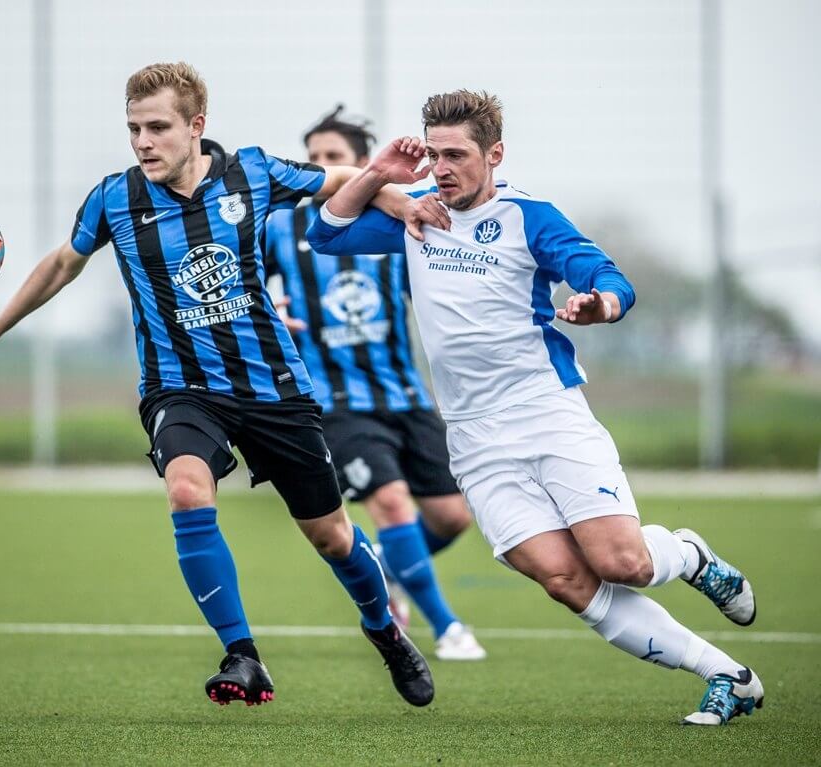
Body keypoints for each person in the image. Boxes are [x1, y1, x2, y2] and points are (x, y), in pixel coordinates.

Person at [0, 62, 440, 708]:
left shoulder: (252, 172)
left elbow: (340, 181)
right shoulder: (114, 199)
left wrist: (398, 198)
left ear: (196, 125)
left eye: (157, 128)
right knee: (185, 488)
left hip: (272, 385)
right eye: (133, 129)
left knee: (333, 535)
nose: (142, 142)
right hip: (179, 389)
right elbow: (63, 263)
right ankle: (242, 653)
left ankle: (385, 630)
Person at [306, 89, 763, 726]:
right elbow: (324, 235)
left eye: (457, 155)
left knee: (622, 563)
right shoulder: (418, 213)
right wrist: (380, 173)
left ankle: (687, 554)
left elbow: (609, 278)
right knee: (565, 580)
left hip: (546, 413)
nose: (442, 168)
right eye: (434, 154)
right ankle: (727, 677)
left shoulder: (529, 217)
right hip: (473, 437)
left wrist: (600, 305)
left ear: (494, 154)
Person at [265, 107, 485, 661]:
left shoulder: (399, 224)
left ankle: (388, 567)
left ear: (363, 163)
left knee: (453, 516)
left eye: (333, 157)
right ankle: (448, 627)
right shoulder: (282, 226)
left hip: (405, 393)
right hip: (335, 401)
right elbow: (243, 288)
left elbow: (442, 289)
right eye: (313, 158)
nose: (320, 166)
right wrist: (270, 309)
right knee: (390, 502)